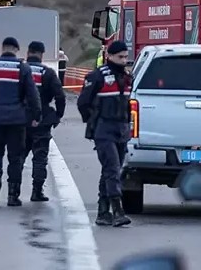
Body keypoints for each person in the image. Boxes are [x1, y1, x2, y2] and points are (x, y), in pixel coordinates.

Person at [0, 36, 42, 207]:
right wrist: (36, 115)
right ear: (15, 49)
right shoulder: (22, 67)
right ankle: (13, 195)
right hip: (17, 120)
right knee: (15, 157)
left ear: (3, 48)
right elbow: (32, 94)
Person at [77, 40, 132, 227]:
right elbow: (83, 103)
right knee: (111, 169)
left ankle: (102, 211)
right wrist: (93, 122)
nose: (124, 60)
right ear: (109, 56)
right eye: (120, 57)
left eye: (125, 57)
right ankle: (117, 211)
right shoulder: (97, 76)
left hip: (122, 130)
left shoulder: (127, 78)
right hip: (104, 130)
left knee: (112, 170)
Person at [22, 41, 66, 202]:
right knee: (40, 157)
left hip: (21, 119)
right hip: (42, 120)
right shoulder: (47, 73)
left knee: (18, 156)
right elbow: (60, 95)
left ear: (28, 52)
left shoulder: (20, 70)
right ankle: (37, 191)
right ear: (41, 54)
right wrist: (58, 116)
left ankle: (13, 193)